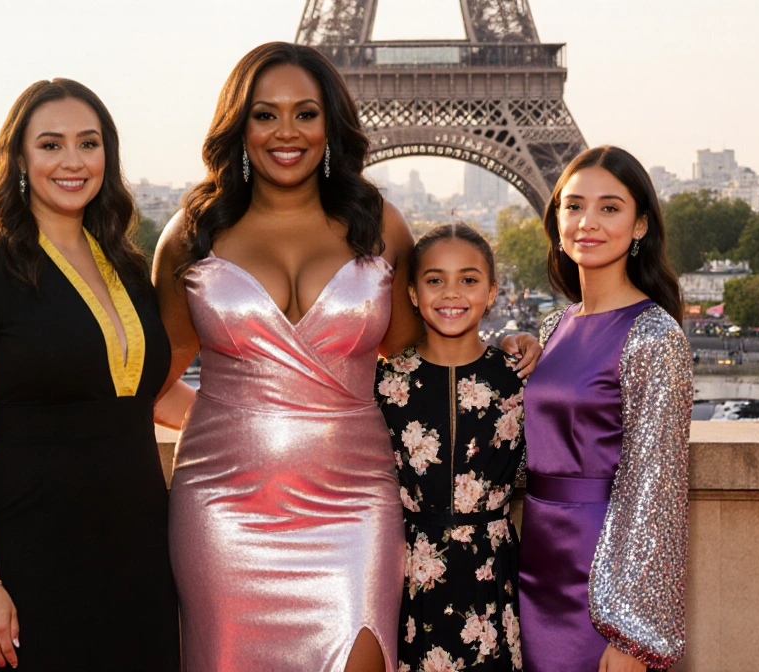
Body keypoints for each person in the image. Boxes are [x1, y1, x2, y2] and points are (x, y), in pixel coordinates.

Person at [154, 43, 540, 672]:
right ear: (238, 126)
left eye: (305, 113)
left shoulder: (379, 224)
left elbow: (419, 359)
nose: (286, 131)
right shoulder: (191, 233)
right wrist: (241, 416)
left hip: (353, 508)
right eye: (264, 114)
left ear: (330, 124)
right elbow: (151, 376)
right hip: (222, 511)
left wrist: (513, 349)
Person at [0, 79, 189, 670]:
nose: (73, 160)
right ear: (19, 159)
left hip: (137, 553)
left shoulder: (127, 267)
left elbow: (143, 394)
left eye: (88, 143)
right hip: (27, 555)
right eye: (50, 144)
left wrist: (264, 424)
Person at [517, 146, 692, 672]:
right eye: (574, 206)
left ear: (640, 225)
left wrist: (632, 633)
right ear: (557, 221)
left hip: (601, 577)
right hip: (534, 566)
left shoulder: (655, 336)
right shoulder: (554, 326)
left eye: (609, 208)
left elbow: (655, 490)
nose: (587, 222)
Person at [375, 225, 526, 671]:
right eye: (435, 279)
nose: (452, 293)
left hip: (492, 574)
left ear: (492, 291)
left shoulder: (518, 378)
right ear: (412, 292)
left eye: (469, 279)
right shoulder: (384, 382)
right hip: (410, 574)